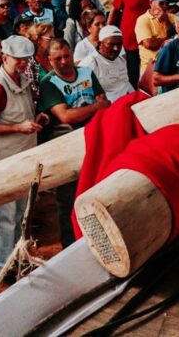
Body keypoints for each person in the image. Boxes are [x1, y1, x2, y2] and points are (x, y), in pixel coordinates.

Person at [0, 36, 44, 278]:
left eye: (26, 60)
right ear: (5, 58)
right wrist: (19, 128)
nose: (24, 64)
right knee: (5, 214)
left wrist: (35, 121)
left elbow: (23, 114)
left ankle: (16, 257)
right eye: (19, 60)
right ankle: (1, 263)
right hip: (6, 158)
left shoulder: (24, 79)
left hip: (24, 154)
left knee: (20, 212)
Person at [38, 40, 109, 246]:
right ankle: (70, 244)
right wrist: (96, 106)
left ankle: (95, 238)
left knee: (95, 188)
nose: (63, 62)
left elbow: (104, 104)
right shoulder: (49, 83)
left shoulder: (86, 72)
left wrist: (95, 108)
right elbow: (66, 116)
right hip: (67, 146)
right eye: (58, 59)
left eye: (66, 56)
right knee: (68, 197)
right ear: (49, 61)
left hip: (94, 138)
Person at [110, 0, 155, 87]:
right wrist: (108, 31)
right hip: (129, 42)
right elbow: (115, 10)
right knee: (131, 77)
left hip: (150, 42)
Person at [78, 26, 133, 102]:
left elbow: (125, 84)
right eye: (111, 44)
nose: (116, 48)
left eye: (119, 44)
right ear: (100, 44)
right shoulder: (89, 64)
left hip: (130, 99)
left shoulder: (120, 60)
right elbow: (83, 89)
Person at [133, 0, 175, 74]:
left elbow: (178, 36)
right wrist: (168, 39)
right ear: (151, 3)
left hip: (170, 65)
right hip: (150, 68)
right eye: (161, 3)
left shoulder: (171, 17)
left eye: (167, 3)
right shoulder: (143, 20)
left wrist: (166, 21)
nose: (165, 6)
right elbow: (149, 44)